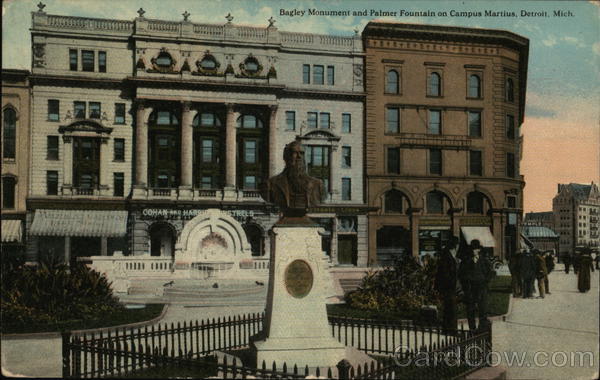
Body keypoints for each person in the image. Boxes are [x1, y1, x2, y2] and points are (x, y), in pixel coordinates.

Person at [262, 140, 323, 217]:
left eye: (302, 153)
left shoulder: (317, 184)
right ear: (286, 157)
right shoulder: (272, 183)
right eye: (295, 153)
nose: (299, 156)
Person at [458, 239, 493, 331]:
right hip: (470, 289)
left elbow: (491, 273)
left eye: (475, 249)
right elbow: (460, 274)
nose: (473, 251)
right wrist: (465, 284)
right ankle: (472, 329)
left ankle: (482, 329)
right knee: (470, 310)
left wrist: (485, 281)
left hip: (482, 288)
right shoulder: (466, 261)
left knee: (483, 309)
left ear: (479, 250)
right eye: (472, 249)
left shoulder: (484, 261)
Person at [435, 236, 460, 334]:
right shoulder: (447, 257)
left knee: (449, 308)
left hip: (448, 286)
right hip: (448, 287)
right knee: (452, 309)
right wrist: (452, 283)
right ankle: (452, 330)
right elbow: (445, 273)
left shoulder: (449, 256)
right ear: (455, 246)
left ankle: (447, 329)